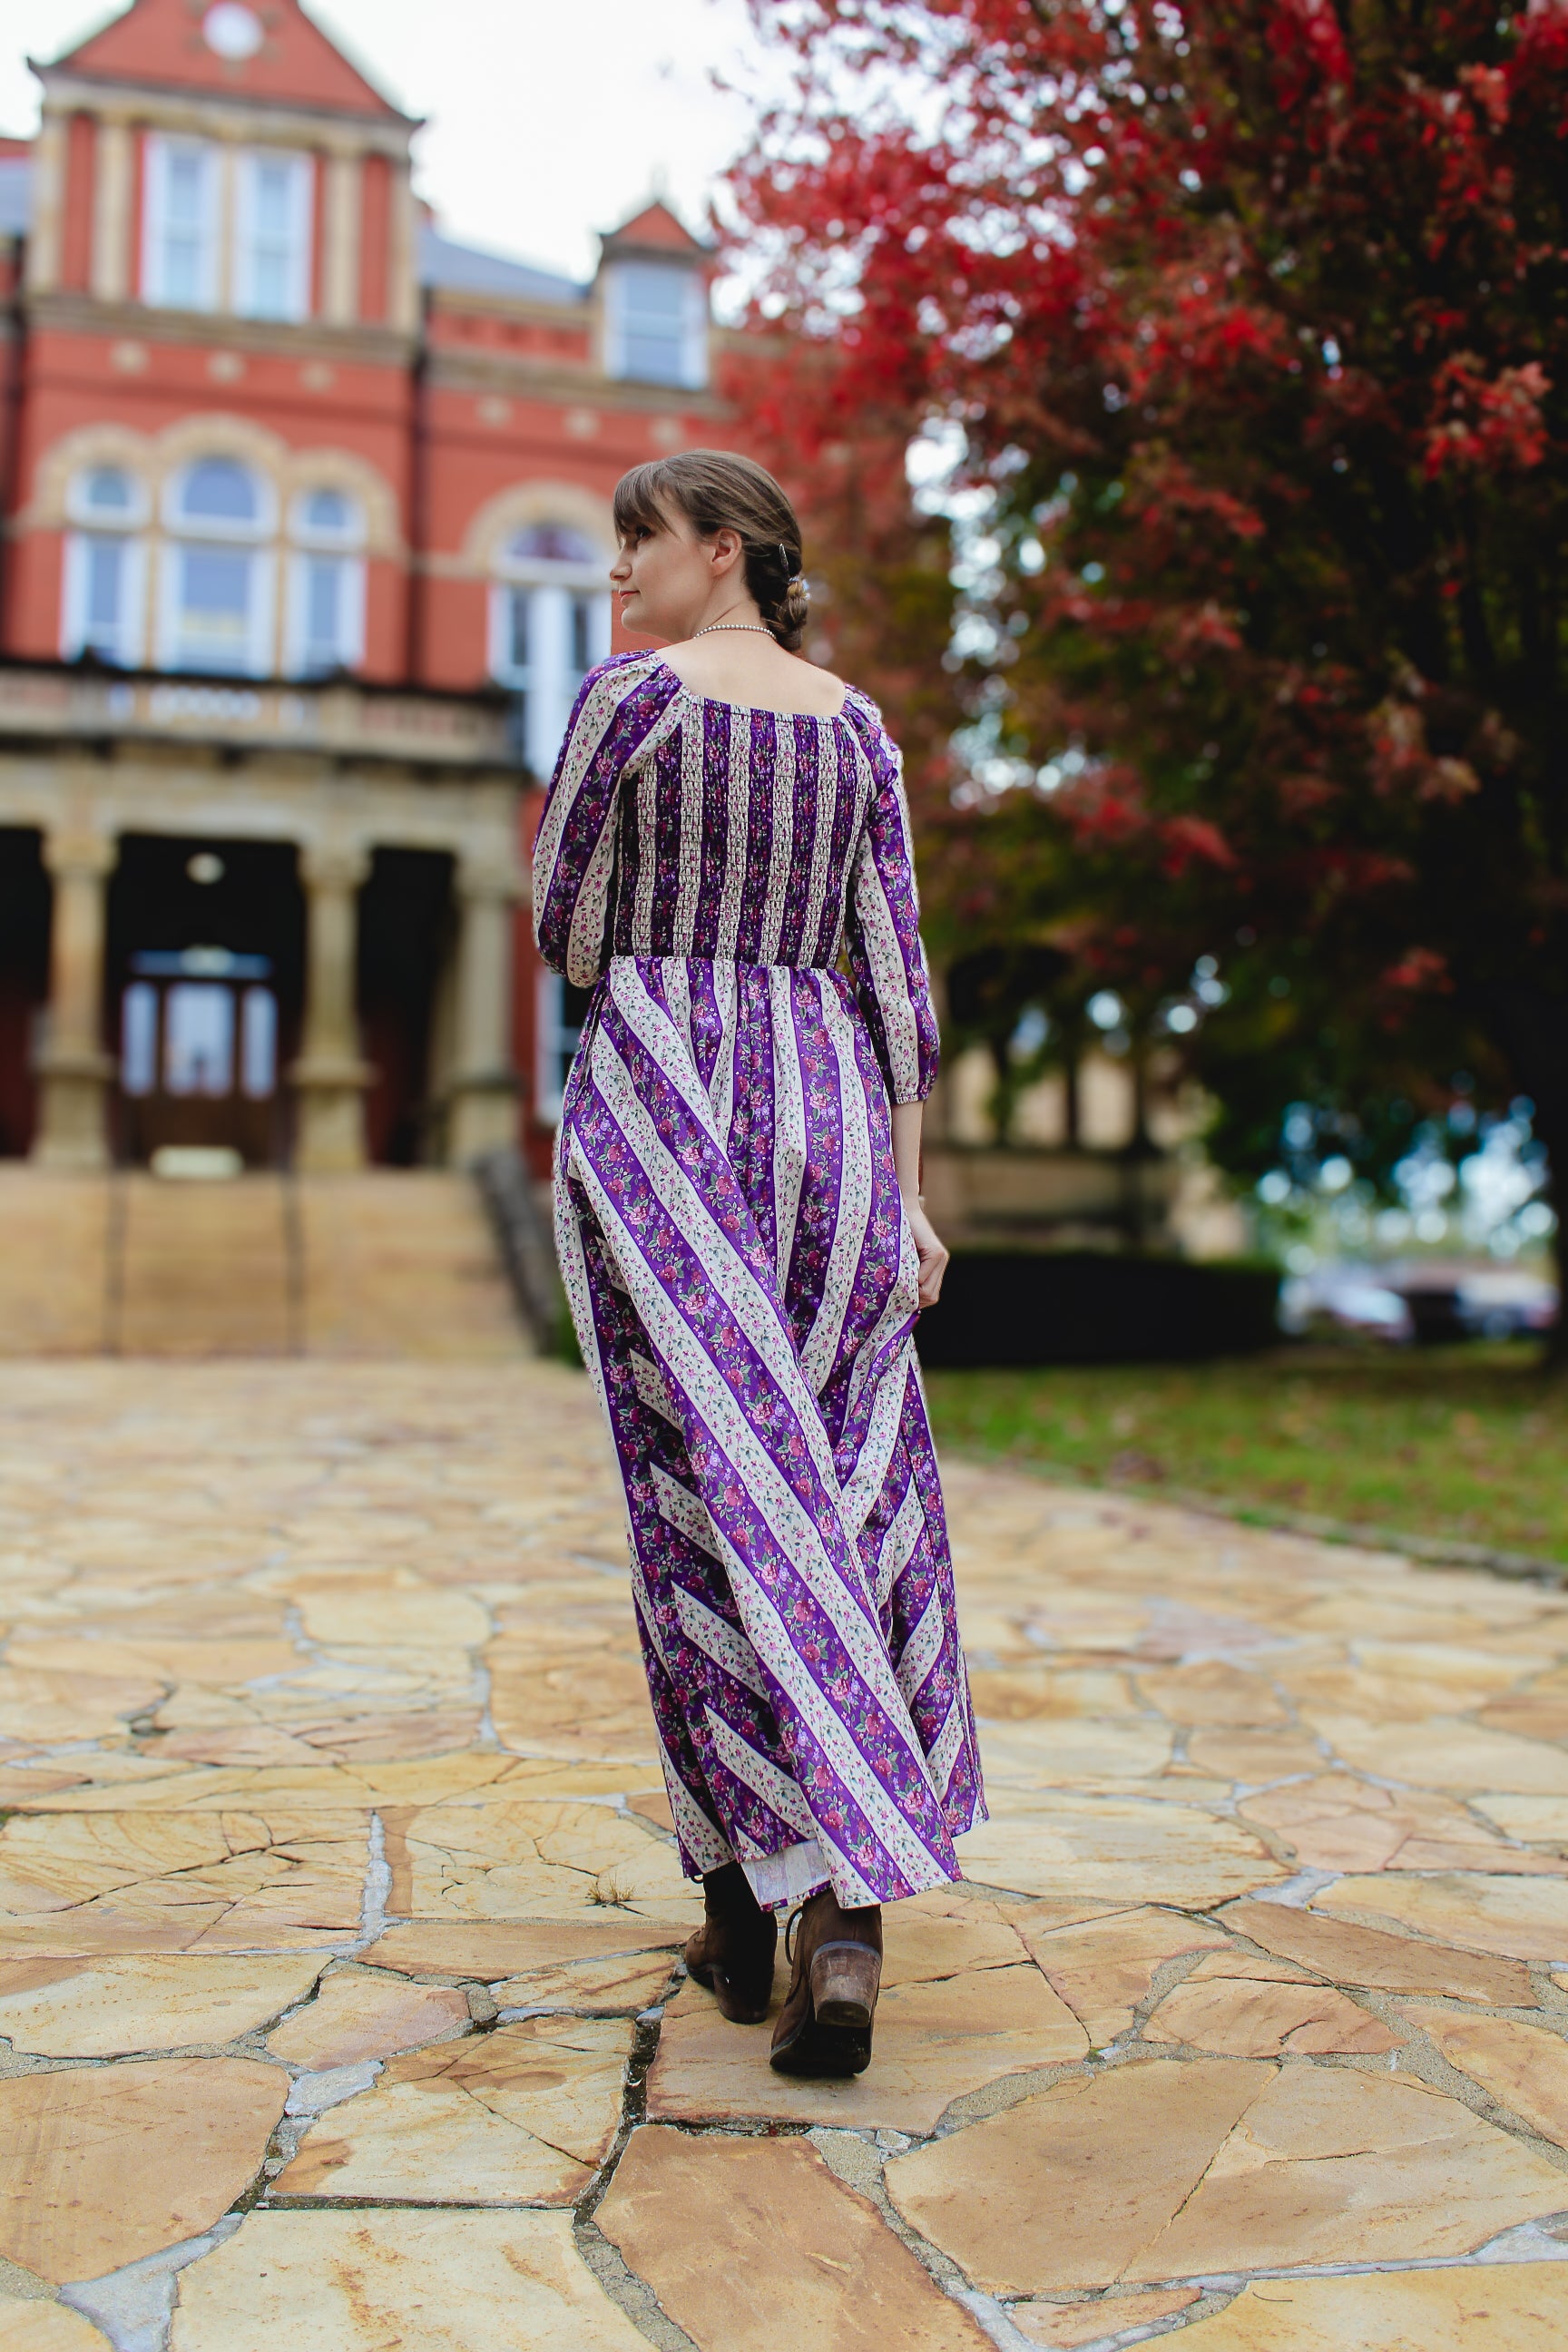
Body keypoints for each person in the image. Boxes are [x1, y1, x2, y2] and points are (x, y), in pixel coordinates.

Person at [533, 450, 985, 2077]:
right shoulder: (860, 729)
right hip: (837, 1117)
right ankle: (834, 1919)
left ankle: (753, 1883)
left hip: (665, 1097)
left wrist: (670, 934)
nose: (615, 581)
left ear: (719, 550)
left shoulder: (629, 707)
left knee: (694, 1489)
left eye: (631, 548)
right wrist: (912, 1201)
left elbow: (566, 926)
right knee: (854, 1484)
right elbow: (897, 980)